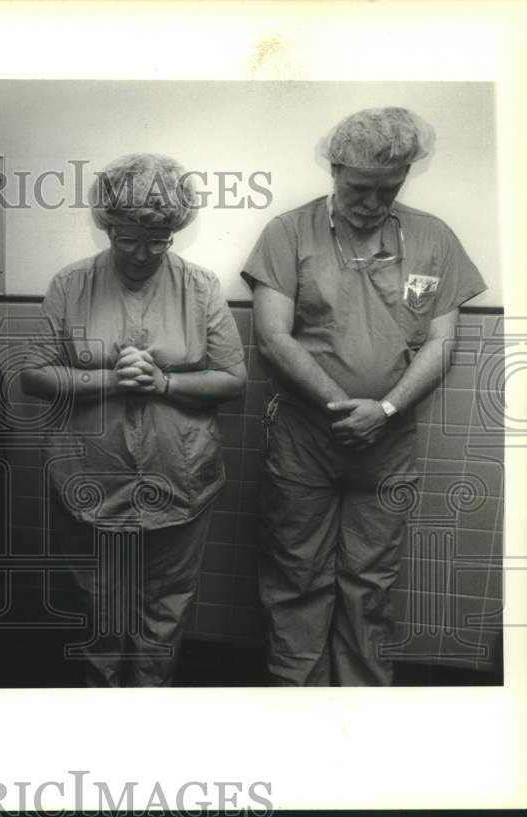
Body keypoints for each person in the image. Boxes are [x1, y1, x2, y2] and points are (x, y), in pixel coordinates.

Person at [241, 108, 487, 686]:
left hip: (389, 439)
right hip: (305, 436)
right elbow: (274, 337)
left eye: (389, 188)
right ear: (334, 169)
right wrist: (340, 408)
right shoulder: (288, 232)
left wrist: (385, 410)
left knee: (370, 578)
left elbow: (443, 341)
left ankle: (361, 708)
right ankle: (295, 697)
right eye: (359, 187)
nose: (373, 202)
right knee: (297, 573)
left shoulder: (433, 237)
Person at [21, 154, 247, 686]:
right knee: (99, 607)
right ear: (106, 226)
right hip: (91, 483)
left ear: (175, 233)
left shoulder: (201, 287)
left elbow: (233, 381)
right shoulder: (71, 285)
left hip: (179, 481)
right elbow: (33, 376)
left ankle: (149, 705)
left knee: (165, 608)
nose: (142, 253)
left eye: (158, 240)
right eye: (127, 239)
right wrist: (111, 380)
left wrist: (164, 383)